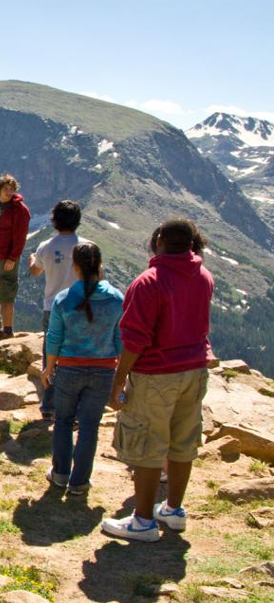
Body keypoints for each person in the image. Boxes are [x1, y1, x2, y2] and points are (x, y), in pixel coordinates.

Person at [102, 219, 213, 542]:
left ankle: (143, 521)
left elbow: (135, 340)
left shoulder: (149, 282)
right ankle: (174, 510)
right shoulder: (203, 276)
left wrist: (119, 380)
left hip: (155, 375)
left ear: (160, 240)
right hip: (195, 370)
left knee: (148, 446)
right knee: (183, 442)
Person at [41, 242, 124, 495]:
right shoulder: (116, 298)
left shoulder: (63, 299)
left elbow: (54, 337)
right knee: (90, 425)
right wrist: (121, 369)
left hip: (68, 369)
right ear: (100, 266)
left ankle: (60, 474)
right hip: (103, 370)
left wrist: (49, 367)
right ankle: (79, 482)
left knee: (64, 421)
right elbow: (120, 337)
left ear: (74, 268)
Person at [29, 200, 90, 420]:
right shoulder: (87, 246)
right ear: (78, 221)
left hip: (52, 307)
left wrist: (32, 260)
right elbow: (98, 277)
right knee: (78, 352)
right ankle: (75, 406)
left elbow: (35, 272)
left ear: (54, 221)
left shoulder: (45, 246)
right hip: (81, 307)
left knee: (51, 353)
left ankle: (50, 404)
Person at [0, 173, 31, 338]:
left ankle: (8, 330)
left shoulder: (20, 210)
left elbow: (20, 237)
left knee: (6, 294)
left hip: (8, 258)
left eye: (12, 189)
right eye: (6, 189)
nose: (9, 193)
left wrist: (13, 258)